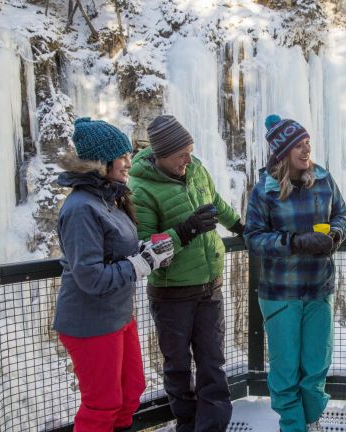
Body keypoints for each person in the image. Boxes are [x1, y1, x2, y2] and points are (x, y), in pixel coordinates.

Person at [54, 117, 174, 432]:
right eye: (122, 156)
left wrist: (148, 251)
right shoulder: (81, 208)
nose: (128, 162)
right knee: (102, 403)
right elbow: (90, 277)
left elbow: (115, 252)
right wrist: (143, 263)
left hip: (118, 315)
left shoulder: (108, 199)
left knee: (130, 390)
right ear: (101, 163)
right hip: (89, 322)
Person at [128, 115, 244, 432]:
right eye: (181, 155)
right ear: (161, 155)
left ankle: (212, 427)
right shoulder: (140, 190)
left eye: (190, 152)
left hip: (209, 288)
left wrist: (241, 227)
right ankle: (187, 422)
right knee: (178, 366)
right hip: (172, 295)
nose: (187, 160)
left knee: (212, 363)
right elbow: (145, 248)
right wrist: (186, 230)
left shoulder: (195, 169)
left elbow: (215, 202)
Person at [244, 114, 346, 432]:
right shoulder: (265, 190)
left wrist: (334, 236)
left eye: (307, 144)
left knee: (316, 365)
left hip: (319, 287)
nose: (306, 151)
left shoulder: (323, 178)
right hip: (281, 292)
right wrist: (293, 241)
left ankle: (311, 420)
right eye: (298, 146)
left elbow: (341, 214)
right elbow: (253, 237)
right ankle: (292, 426)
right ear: (282, 152)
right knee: (286, 369)